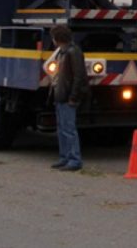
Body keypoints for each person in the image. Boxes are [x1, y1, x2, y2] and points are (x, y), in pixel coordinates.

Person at [49, 24, 87, 172]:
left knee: (69, 129)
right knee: (62, 128)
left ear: (57, 39)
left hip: (67, 96)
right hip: (60, 96)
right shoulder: (63, 52)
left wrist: (73, 97)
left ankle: (74, 159)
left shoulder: (73, 52)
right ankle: (64, 156)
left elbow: (79, 76)